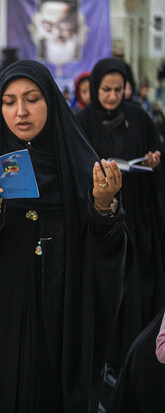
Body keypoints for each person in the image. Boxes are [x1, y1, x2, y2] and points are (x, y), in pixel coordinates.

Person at [0, 60, 127, 412]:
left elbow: (106, 248)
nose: (20, 112)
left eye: (32, 99)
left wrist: (102, 206)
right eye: (9, 101)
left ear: (51, 102)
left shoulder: (78, 164)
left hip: (58, 313)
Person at [77, 58, 165, 379]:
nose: (112, 96)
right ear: (95, 89)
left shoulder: (139, 118)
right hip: (102, 218)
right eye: (106, 90)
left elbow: (154, 152)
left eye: (118, 89)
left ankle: (135, 353)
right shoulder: (82, 121)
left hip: (138, 215)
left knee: (140, 284)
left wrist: (154, 160)